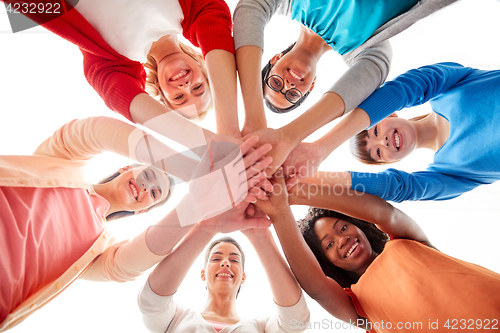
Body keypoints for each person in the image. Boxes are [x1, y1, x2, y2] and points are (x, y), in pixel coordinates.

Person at [0, 116, 272, 331]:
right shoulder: (62, 163)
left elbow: (137, 261)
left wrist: (199, 203)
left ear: (143, 211)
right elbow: (93, 130)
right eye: (150, 174)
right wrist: (194, 172)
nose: (146, 186)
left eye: (154, 194)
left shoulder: (98, 254)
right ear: (126, 167)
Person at [233, 0, 456, 176]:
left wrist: (255, 119)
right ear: (311, 86)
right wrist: (292, 138)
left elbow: (252, 7)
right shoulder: (366, 50)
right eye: (292, 94)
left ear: (275, 59)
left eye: (275, 83)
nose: (288, 84)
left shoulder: (288, 3)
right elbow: (373, 73)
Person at [255, 173, 500, 332]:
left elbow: (385, 214)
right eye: (328, 245)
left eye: (343, 227)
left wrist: (294, 193)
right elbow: (316, 286)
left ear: (358, 225)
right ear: (325, 262)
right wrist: (279, 212)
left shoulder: (406, 240)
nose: (342, 239)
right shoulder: (358, 306)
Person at [10, 0, 241, 141]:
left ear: (161, 92)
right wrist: (228, 129)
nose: (185, 86)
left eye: (179, 98)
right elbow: (216, 26)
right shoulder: (194, 8)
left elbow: (119, 96)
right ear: (205, 67)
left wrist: (202, 145)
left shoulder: (111, 61)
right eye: (199, 87)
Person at [299, 62, 500, 202]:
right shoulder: (448, 172)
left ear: (389, 113)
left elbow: (404, 89)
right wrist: (305, 176)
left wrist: (321, 147)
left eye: (375, 130)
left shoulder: (445, 89)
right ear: (391, 162)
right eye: (378, 153)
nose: (382, 142)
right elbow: (399, 188)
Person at [138, 211, 309, 333]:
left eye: (234, 260)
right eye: (216, 258)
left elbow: (296, 321)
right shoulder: (175, 319)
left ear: (243, 277)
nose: (226, 263)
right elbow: (151, 301)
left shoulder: (261, 328)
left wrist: (258, 234)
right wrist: (207, 226)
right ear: (203, 274)